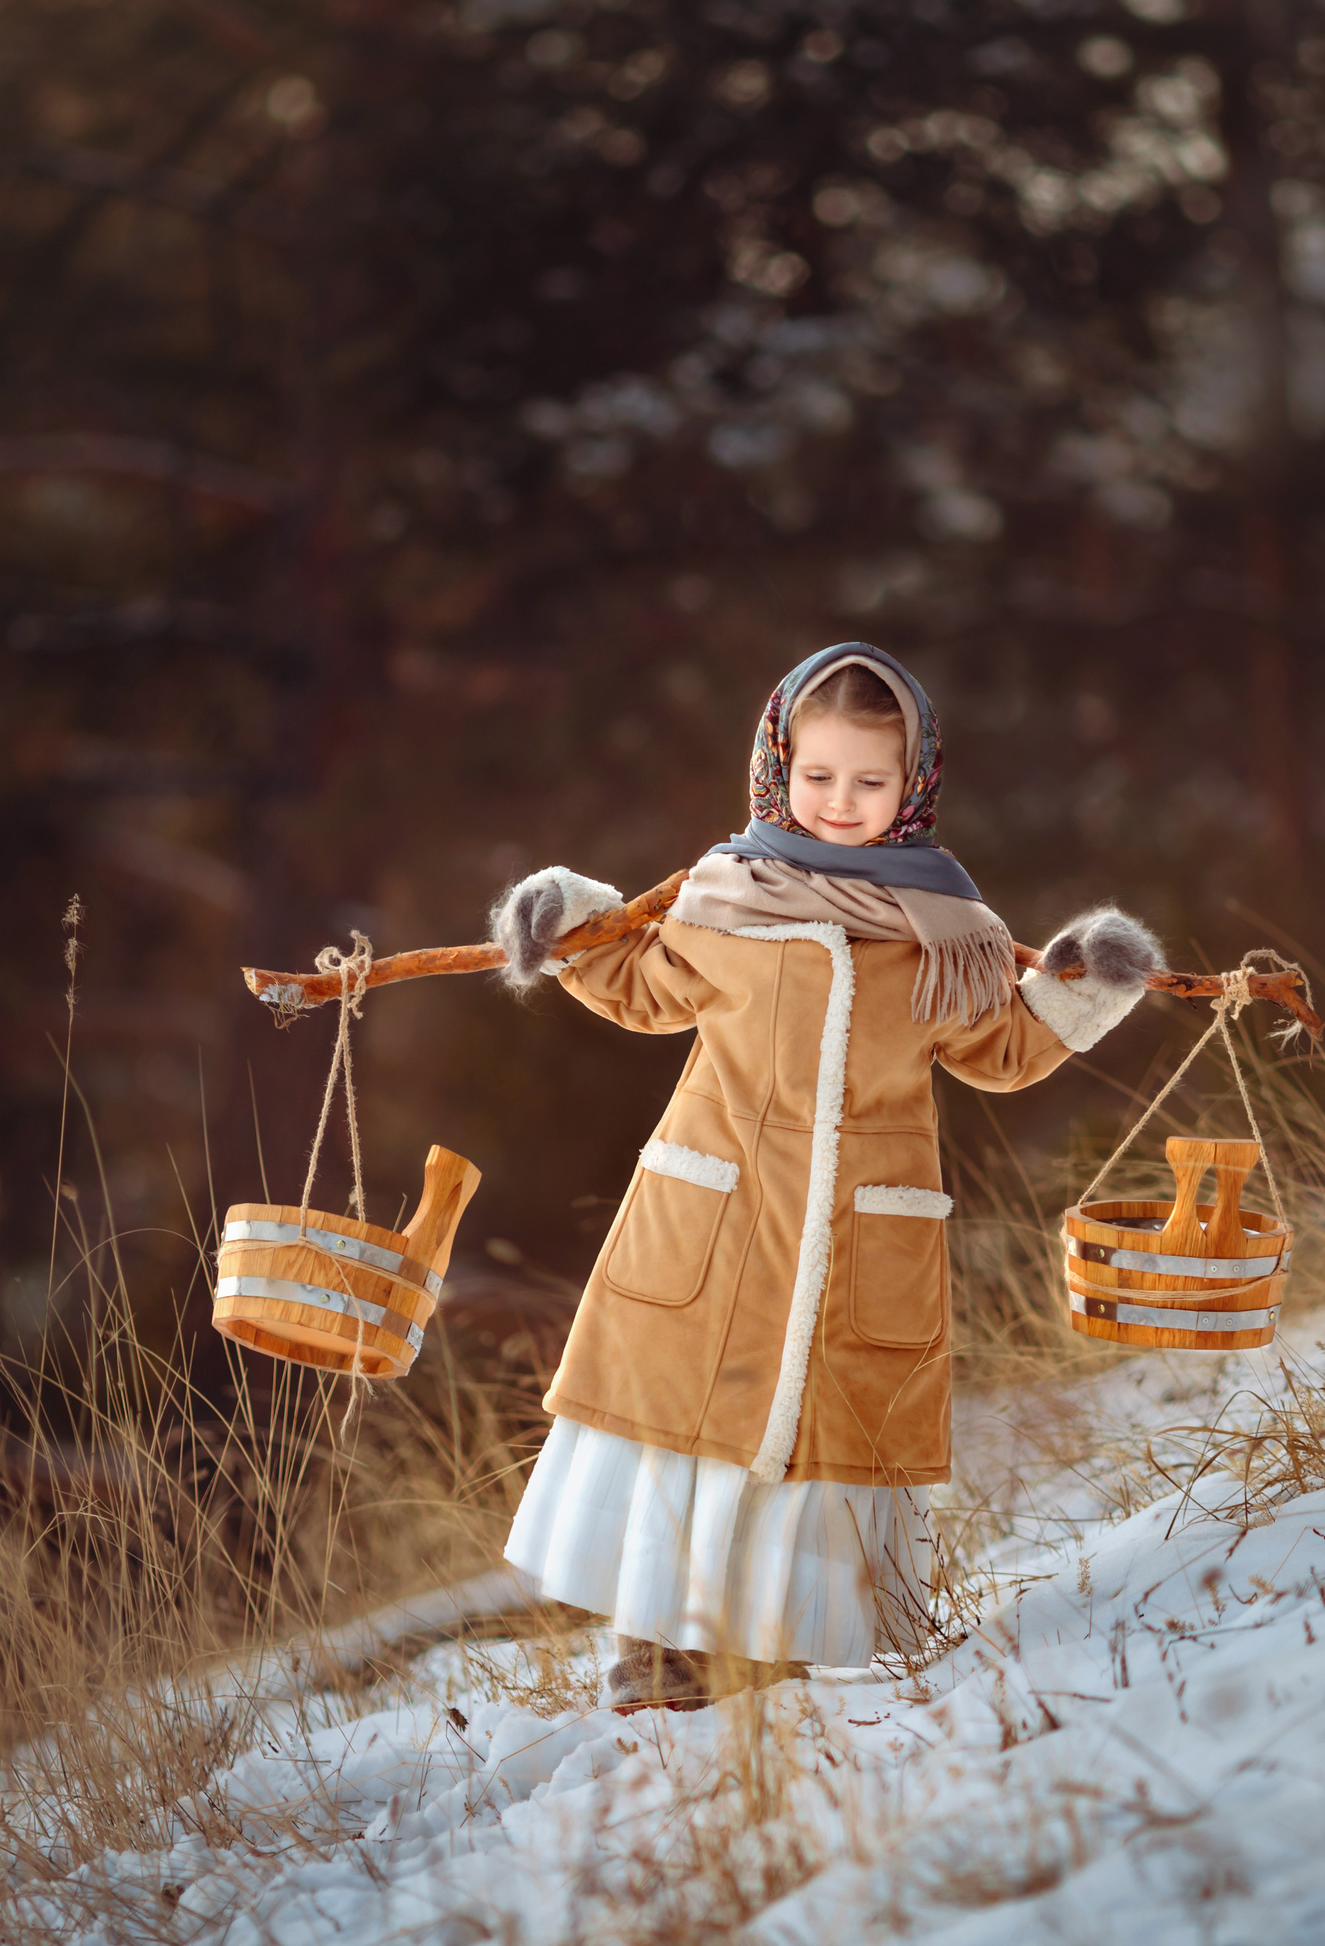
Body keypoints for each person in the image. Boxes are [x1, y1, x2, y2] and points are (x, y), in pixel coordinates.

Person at [490, 640, 1161, 1713]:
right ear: (776, 765)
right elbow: (640, 985)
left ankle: (777, 1636)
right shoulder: (720, 898)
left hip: (861, 1230)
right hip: (717, 1214)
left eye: (869, 780)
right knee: (689, 1433)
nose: (840, 801)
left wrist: (1081, 982)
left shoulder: (949, 932)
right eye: (818, 775)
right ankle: (655, 1639)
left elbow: (997, 1049)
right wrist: (564, 920)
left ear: (914, 785)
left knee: (818, 1440)